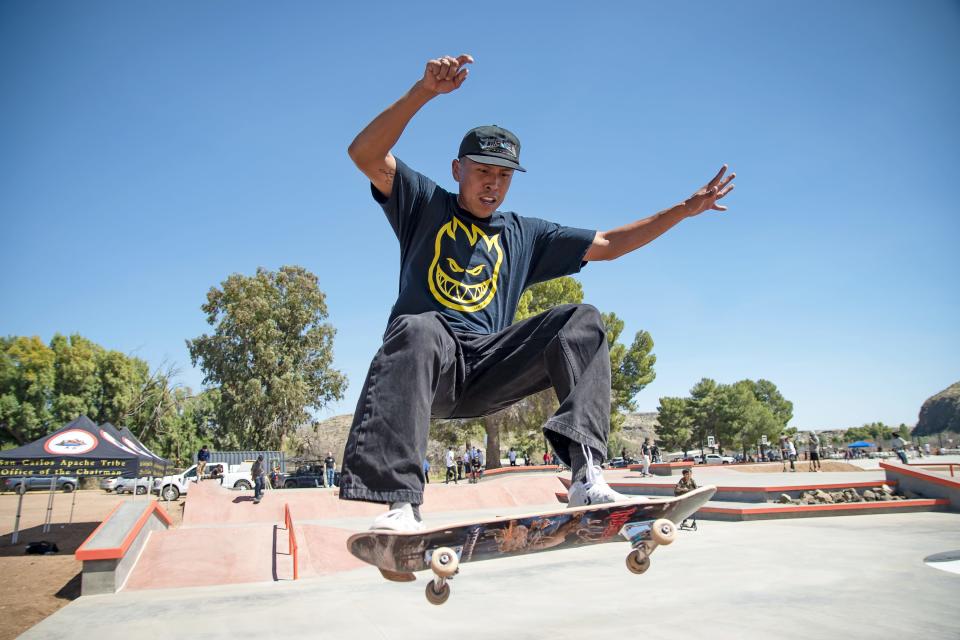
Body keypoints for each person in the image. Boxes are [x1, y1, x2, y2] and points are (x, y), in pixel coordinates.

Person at [339, 54, 735, 532]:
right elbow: (364, 154)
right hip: (430, 364)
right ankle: (401, 502)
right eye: (483, 171)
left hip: (489, 368)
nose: (493, 184)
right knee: (418, 328)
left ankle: (586, 474)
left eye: (503, 176)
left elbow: (608, 244)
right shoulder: (424, 204)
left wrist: (683, 210)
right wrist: (423, 93)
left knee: (581, 319)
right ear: (457, 169)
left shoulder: (524, 235)